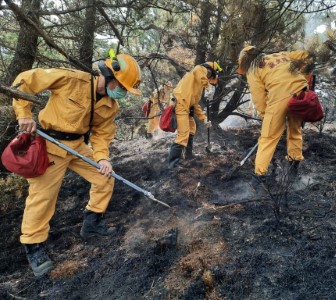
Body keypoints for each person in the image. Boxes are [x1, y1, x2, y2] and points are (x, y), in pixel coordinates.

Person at [12, 53, 142, 277]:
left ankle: (91, 223)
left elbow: (102, 134)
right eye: (121, 86)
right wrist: (23, 114)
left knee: (104, 177)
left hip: (78, 146)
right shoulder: (72, 79)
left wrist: (102, 158)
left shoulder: (111, 106)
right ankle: (34, 246)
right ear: (109, 75)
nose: (121, 93)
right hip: (51, 144)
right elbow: (25, 79)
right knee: (43, 196)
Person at [237, 45, 314, 185]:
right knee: (294, 131)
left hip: (280, 96)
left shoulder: (253, 69)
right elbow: (307, 55)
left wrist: (266, 117)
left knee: (268, 138)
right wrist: (303, 77)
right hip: (302, 93)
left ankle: (258, 178)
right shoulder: (281, 54)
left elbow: (259, 98)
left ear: (245, 62)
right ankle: (293, 170)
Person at [167, 62, 222, 168]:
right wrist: (208, 86)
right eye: (210, 75)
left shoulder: (198, 85)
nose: (209, 78)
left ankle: (188, 155)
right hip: (180, 104)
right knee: (183, 134)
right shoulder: (198, 69)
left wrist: (204, 119)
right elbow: (198, 70)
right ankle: (173, 163)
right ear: (209, 70)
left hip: (187, 107)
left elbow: (195, 104)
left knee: (192, 129)